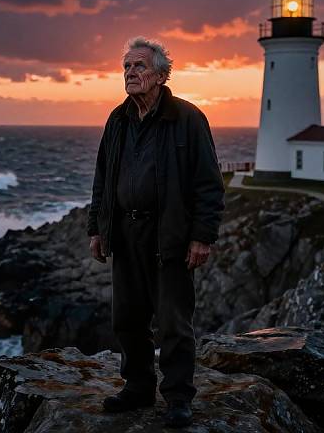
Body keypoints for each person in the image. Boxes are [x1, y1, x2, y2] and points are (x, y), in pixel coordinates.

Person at [87, 37, 225, 428]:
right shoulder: (117, 119)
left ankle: (179, 397)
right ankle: (138, 387)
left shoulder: (188, 118)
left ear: (162, 75)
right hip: (125, 233)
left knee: (173, 322)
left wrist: (203, 236)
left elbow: (208, 184)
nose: (131, 73)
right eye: (127, 67)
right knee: (127, 318)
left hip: (170, 237)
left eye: (140, 67)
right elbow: (103, 178)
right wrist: (97, 229)